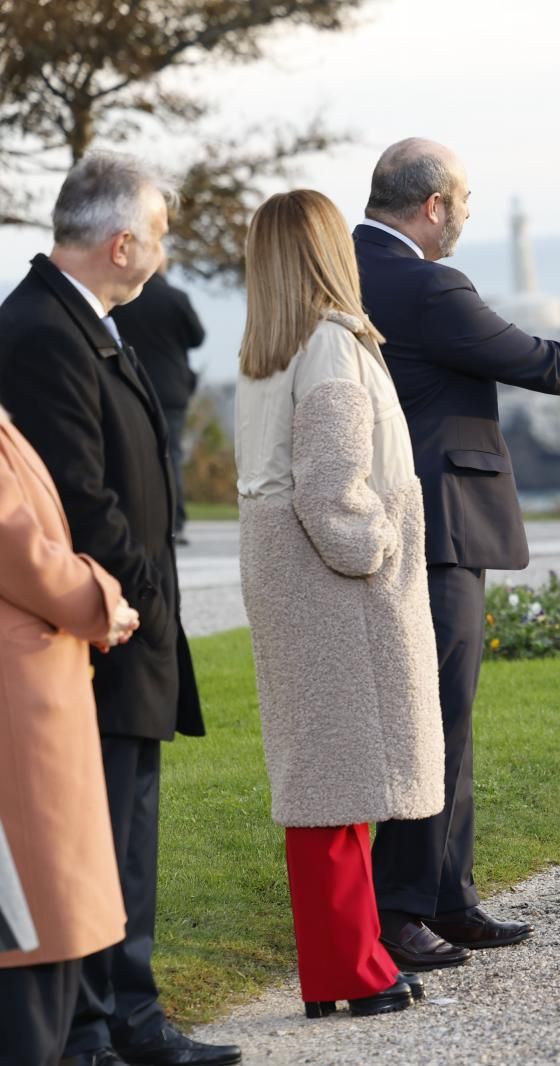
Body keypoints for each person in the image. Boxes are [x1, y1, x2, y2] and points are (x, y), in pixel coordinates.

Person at [352, 137, 560, 969]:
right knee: (437, 717)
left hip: (391, 512)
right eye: (463, 199)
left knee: (439, 714)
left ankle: (449, 897)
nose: (467, 213)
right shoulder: (429, 283)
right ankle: (404, 910)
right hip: (442, 517)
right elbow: (528, 357)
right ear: (432, 207)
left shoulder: (348, 265)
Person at [0, 152, 240, 1066]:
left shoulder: (85, 318)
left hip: (123, 619)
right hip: (98, 625)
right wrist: (134, 595)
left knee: (125, 834)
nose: (167, 255)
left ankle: (128, 1018)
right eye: (162, 237)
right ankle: (99, 1031)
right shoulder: (42, 330)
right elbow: (78, 495)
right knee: (90, 842)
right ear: (122, 241)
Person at [234, 189, 444, 1019]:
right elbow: (333, 494)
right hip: (334, 586)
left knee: (326, 783)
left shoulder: (265, 351)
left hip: (288, 577)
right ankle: (350, 972)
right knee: (337, 790)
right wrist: (379, 542)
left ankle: (342, 970)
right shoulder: (330, 347)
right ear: (329, 252)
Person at [0, 404, 140, 1066]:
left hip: (34, 685)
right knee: (28, 938)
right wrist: (101, 600)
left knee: (44, 932)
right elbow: (15, 540)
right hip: (18, 697)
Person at [111, 266, 205, 545]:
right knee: (170, 455)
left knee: (132, 454)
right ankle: (174, 522)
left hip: (131, 383)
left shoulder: (121, 299)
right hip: (171, 390)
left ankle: (134, 518)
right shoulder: (176, 298)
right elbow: (197, 337)